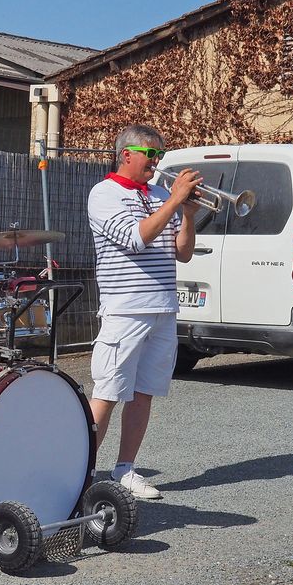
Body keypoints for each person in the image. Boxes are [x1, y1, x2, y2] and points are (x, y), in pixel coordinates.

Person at [86, 124, 202, 500]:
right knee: (106, 392)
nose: (157, 162)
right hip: (125, 310)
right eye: (151, 155)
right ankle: (79, 470)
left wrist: (187, 214)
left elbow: (181, 252)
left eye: (160, 155)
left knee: (143, 393)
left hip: (163, 307)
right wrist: (174, 200)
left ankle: (125, 469)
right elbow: (137, 239)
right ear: (126, 155)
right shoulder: (104, 194)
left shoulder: (158, 194)